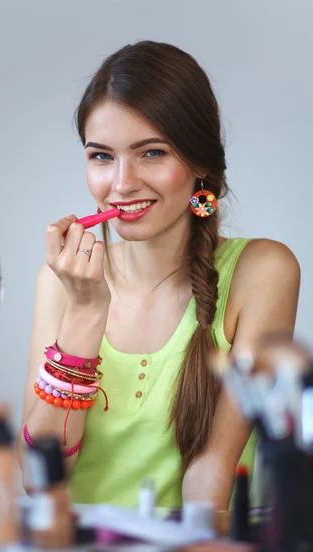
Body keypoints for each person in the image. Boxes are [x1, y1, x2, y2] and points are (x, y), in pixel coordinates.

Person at [17, 41, 300, 509]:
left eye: (151, 153)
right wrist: (86, 312)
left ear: (201, 165)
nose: (122, 184)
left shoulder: (263, 271)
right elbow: (38, 477)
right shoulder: (61, 283)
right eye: (102, 157)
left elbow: (212, 473)